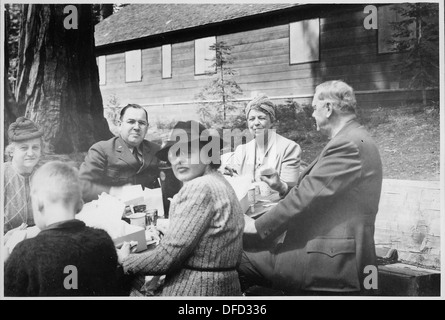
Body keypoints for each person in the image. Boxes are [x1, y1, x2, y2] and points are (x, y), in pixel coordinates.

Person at [239, 80, 383, 295]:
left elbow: (304, 198)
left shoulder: (348, 145)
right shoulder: (352, 138)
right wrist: (282, 187)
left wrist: (256, 228)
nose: (312, 114)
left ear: (328, 109)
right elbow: (317, 193)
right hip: (332, 251)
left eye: (314, 108)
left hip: (331, 261)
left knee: (230, 256)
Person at [118, 120, 245, 296]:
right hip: (222, 286)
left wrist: (125, 261)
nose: (179, 160)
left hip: (197, 290)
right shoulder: (219, 181)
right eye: (175, 153)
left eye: (188, 152)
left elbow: (166, 258)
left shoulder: (200, 187)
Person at [4, 161, 121, 296]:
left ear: (38, 202)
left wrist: (4, 265)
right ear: (80, 204)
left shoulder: (23, 253)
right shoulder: (103, 240)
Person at [79, 104, 160, 202]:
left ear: (147, 127)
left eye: (142, 123)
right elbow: (83, 187)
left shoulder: (156, 150)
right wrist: (113, 191)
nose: (137, 127)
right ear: (119, 125)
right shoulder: (102, 150)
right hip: (113, 212)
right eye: (131, 122)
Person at [224, 94, 301, 195]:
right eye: (251, 119)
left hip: (277, 207)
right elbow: (234, 180)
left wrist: (280, 186)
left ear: (272, 121)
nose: (256, 123)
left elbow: (292, 192)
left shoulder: (289, 148)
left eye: (261, 118)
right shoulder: (242, 150)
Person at [3, 117, 43, 234]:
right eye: (24, 148)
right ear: (11, 151)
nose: (30, 153)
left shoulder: (45, 175)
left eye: (35, 147)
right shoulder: (3, 174)